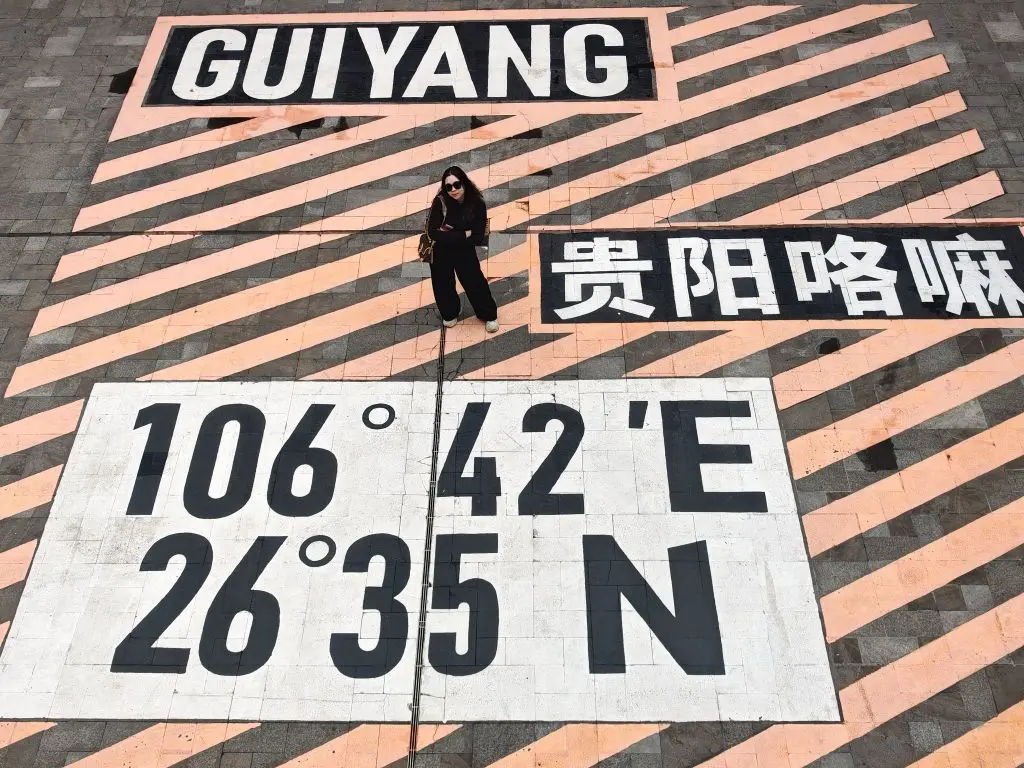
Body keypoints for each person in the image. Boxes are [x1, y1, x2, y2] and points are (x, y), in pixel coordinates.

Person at [426, 166, 499, 332]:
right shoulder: (440, 202)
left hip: (464, 250)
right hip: (440, 250)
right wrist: (463, 234)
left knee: (475, 282)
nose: (453, 190)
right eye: (448, 187)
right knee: (442, 283)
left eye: (457, 185)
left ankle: (488, 314)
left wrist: (451, 236)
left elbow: (478, 235)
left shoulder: (477, 203)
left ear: (464, 183)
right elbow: (432, 233)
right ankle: (450, 312)